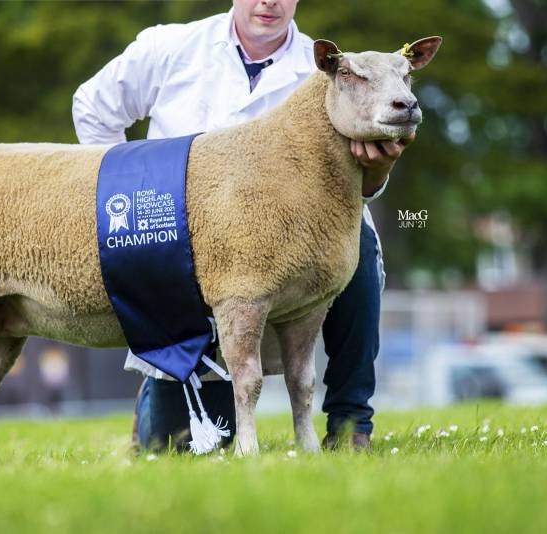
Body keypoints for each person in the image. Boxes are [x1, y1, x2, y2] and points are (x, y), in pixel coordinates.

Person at [72, 0, 413, 452]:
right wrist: (132, 190)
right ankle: (158, 391)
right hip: (182, 245)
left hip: (291, 243)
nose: (269, 1)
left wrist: (380, 168)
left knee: (359, 242)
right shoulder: (168, 47)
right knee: (175, 446)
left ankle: (350, 423)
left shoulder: (334, 72)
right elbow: (93, 108)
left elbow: (356, 191)